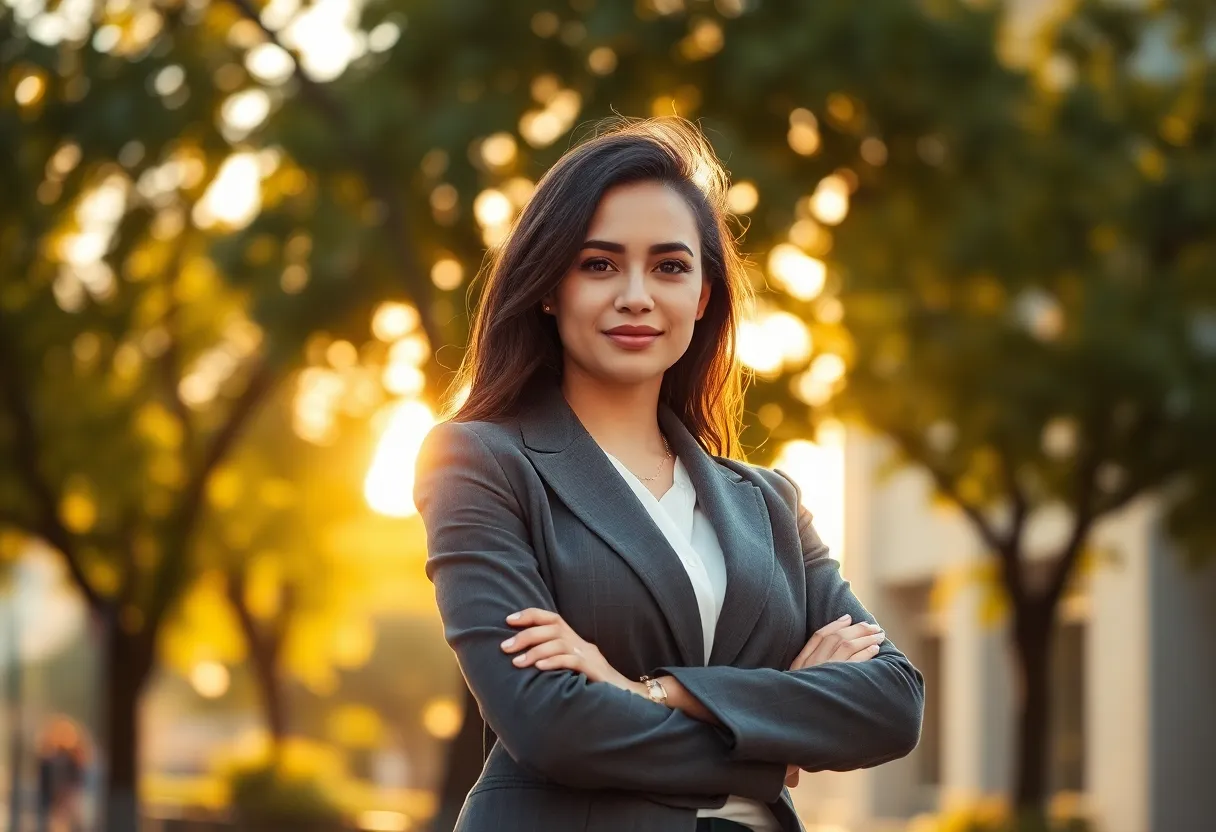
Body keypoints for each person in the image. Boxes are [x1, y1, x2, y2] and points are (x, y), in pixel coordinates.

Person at [413, 117, 925, 832]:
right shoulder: (480, 462)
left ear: (704, 296)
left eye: (669, 266)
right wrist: (774, 732)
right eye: (598, 264)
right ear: (549, 288)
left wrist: (648, 692)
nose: (636, 295)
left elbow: (892, 704)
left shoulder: (769, 502)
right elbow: (547, 725)